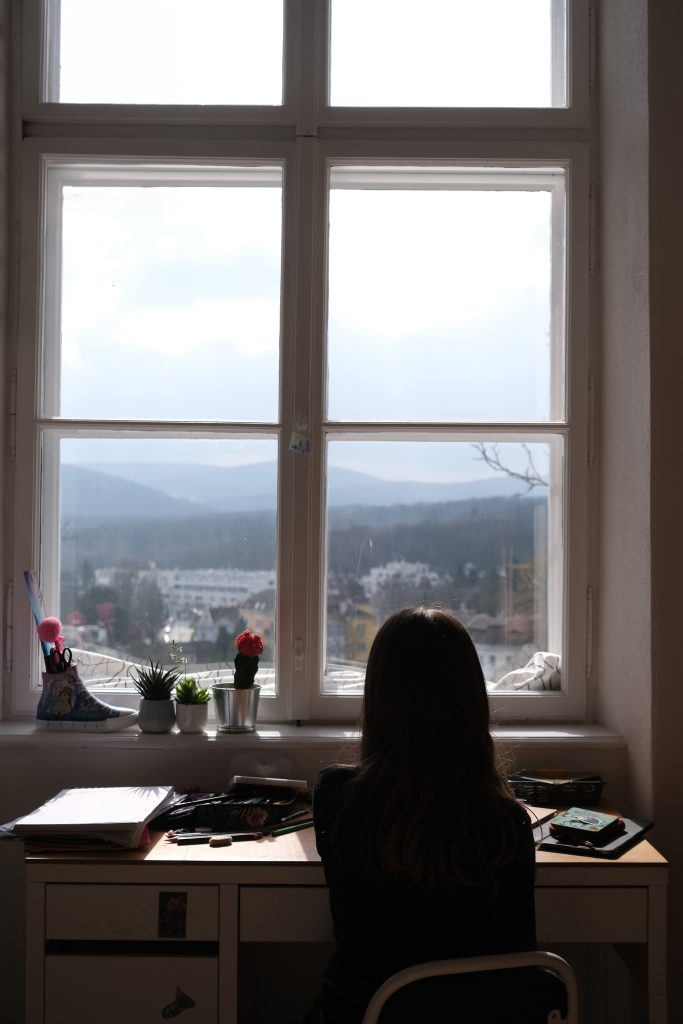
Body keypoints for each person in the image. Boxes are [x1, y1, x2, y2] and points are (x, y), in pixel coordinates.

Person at [303, 606, 566, 1024]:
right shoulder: (508, 825)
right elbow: (519, 964)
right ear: (472, 704)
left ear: (379, 701)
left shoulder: (338, 799)